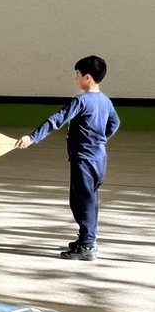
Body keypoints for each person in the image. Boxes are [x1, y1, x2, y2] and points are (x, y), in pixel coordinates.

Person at [15, 55, 120, 261]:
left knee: (81, 202)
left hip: (84, 159)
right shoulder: (105, 101)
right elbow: (114, 123)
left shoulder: (81, 101)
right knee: (91, 200)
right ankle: (85, 239)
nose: (75, 78)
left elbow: (57, 120)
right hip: (99, 158)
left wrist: (32, 137)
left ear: (87, 77)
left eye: (77, 74)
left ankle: (88, 246)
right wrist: (100, 140)